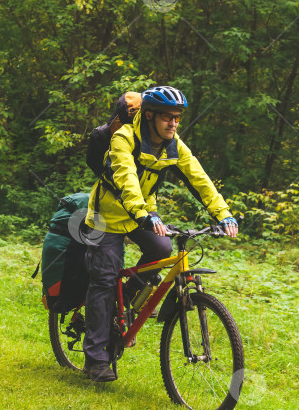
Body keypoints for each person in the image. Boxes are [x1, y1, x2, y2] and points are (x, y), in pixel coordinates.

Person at [82, 85, 238, 382]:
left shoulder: (173, 145)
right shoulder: (123, 138)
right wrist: (143, 213)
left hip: (143, 214)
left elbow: (199, 179)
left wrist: (224, 213)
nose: (174, 123)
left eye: (177, 118)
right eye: (168, 117)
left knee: (163, 250)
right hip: (108, 217)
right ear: (150, 116)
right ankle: (95, 357)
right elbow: (126, 178)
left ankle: (125, 300)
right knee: (104, 277)